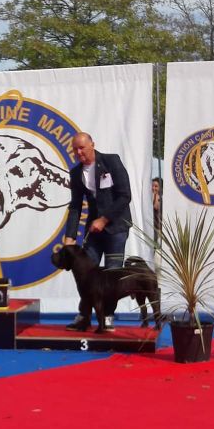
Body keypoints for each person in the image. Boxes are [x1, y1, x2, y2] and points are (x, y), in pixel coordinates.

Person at [63, 132, 133, 330]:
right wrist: (69, 236)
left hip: (116, 227)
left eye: (82, 148)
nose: (79, 152)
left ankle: (107, 318)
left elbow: (124, 196)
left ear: (92, 144)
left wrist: (104, 219)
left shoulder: (111, 162)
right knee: (85, 273)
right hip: (94, 231)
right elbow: (76, 206)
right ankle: (84, 317)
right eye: (75, 149)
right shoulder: (76, 173)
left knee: (111, 277)